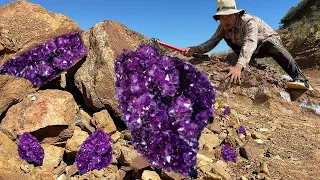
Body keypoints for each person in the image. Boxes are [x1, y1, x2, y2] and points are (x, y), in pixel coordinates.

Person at [182, 0, 311, 90]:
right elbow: (211, 42)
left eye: (227, 16)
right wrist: (194, 49)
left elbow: (250, 41)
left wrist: (239, 66)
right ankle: (252, 63)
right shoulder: (223, 27)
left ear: (236, 14)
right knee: (228, 38)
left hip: (265, 43)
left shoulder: (249, 21)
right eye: (221, 17)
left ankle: (300, 79)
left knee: (273, 45)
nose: (224, 20)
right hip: (248, 49)